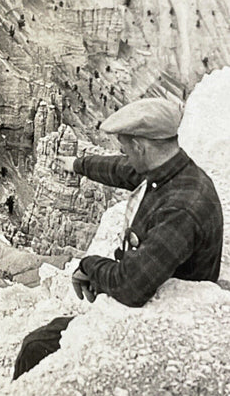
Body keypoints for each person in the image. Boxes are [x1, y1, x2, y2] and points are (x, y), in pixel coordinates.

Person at [13, 98, 223, 380]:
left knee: (36, 346)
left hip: (162, 317)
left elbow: (131, 286)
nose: (124, 154)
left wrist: (90, 266)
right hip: (157, 287)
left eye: (125, 147)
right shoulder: (174, 171)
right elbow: (123, 170)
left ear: (140, 146)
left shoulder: (181, 208)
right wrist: (77, 164)